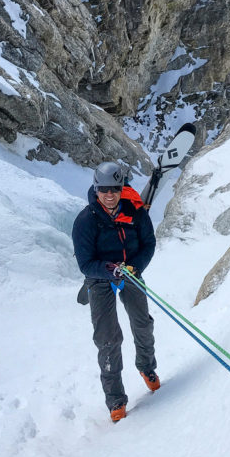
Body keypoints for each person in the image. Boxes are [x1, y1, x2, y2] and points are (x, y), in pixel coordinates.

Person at [72, 161, 160, 422]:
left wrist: (134, 267)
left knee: (142, 324)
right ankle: (115, 400)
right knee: (107, 338)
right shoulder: (86, 221)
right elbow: (85, 263)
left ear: (122, 188)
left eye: (114, 189)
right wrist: (111, 270)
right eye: (104, 189)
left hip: (131, 271)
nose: (109, 195)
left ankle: (147, 368)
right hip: (100, 278)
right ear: (96, 189)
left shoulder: (136, 213)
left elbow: (149, 244)